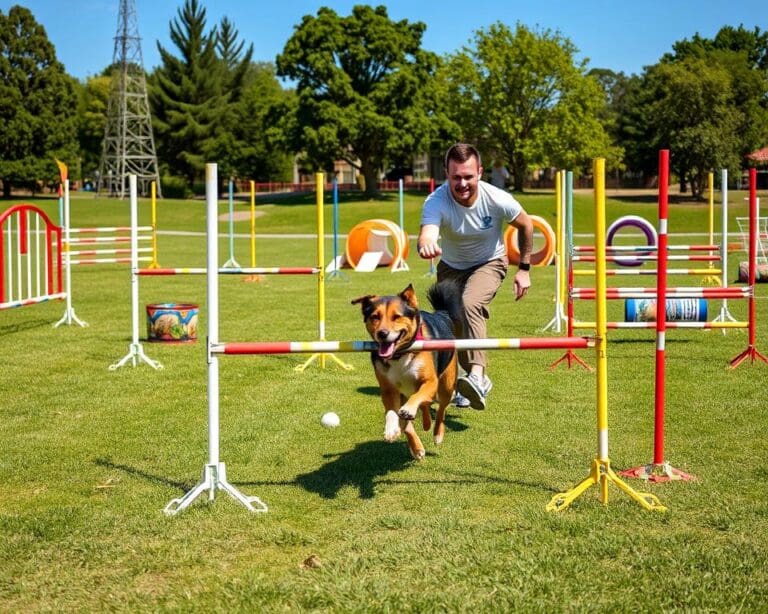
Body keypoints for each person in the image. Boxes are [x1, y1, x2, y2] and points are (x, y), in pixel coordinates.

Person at [417, 143, 533, 410]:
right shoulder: (436, 200)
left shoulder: (497, 199)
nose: (462, 183)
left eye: (468, 176)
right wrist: (426, 244)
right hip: (450, 266)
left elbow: (526, 225)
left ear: (480, 172)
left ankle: (477, 376)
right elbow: (428, 232)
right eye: (456, 177)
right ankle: (467, 380)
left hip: (489, 262)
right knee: (451, 324)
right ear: (447, 174)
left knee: (470, 304)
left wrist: (524, 270)